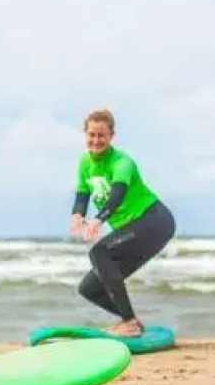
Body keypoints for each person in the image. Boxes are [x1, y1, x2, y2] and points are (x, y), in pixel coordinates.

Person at [68, 109, 176, 338]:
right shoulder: (85, 164)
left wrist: (98, 219)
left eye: (101, 136)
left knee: (99, 251)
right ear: (85, 134)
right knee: (89, 287)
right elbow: (82, 195)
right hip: (135, 229)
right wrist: (77, 215)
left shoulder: (122, 162)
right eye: (91, 135)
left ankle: (128, 322)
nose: (96, 141)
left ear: (111, 137)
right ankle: (132, 321)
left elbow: (117, 194)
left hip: (153, 221)